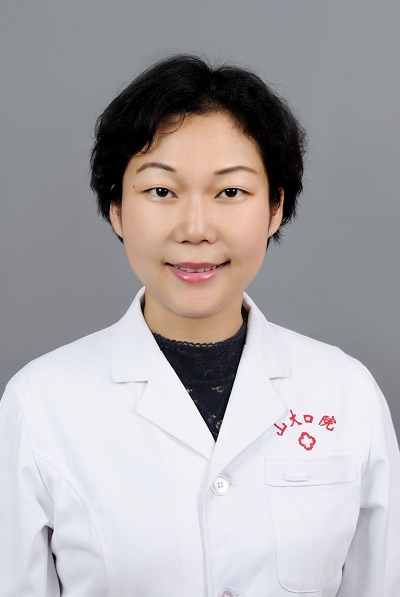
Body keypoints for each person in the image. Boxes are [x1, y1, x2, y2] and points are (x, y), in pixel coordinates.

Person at [0, 53, 399, 597]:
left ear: (274, 208)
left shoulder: (347, 393)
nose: (195, 228)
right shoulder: (39, 406)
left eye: (230, 192)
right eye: (161, 191)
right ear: (116, 207)